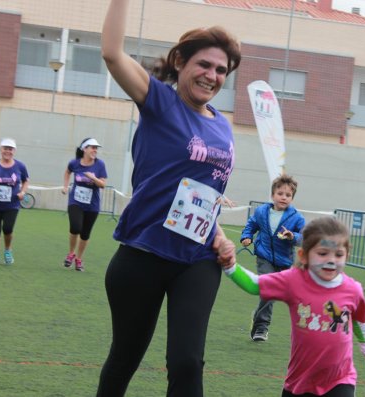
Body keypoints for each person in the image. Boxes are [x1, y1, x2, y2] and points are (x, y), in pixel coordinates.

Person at [97, 1, 241, 395]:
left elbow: (203, 193)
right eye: (204, 65)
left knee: (187, 363)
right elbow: (112, 53)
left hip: (197, 260)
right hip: (143, 254)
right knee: (124, 358)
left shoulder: (223, 127)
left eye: (221, 70)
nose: (212, 76)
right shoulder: (160, 101)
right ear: (180, 62)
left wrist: (218, 235)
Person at [222, 217, 365, 397]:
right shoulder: (293, 281)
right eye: (322, 253)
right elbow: (254, 285)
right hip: (300, 381)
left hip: (340, 379)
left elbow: (359, 318)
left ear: (347, 256)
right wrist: (230, 267)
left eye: (338, 255)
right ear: (303, 256)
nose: (331, 260)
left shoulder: (353, 289)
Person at [240, 174, 305, 342]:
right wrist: (246, 237)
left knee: (280, 294)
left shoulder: (297, 217)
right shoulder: (262, 211)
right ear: (272, 195)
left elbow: (305, 237)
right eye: (280, 193)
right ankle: (261, 327)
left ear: (292, 197)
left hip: (285, 262)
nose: (284, 197)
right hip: (264, 257)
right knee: (268, 291)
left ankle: (259, 314)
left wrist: (293, 236)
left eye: (288, 195)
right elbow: (251, 224)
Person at [61, 137, 108, 272]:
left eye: (96, 148)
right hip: (75, 201)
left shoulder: (100, 165)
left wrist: (92, 178)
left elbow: (103, 185)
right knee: (75, 227)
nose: (95, 151)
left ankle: (79, 259)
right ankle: (71, 253)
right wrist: (65, 186)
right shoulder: (74, 163)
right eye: (92, 148)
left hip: (92, 205)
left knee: (85, 234)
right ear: (84, 149)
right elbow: (67, 172)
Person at [0, 138, 29, 265]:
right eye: (5, 148)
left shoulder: (20, 166)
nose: (8, 151)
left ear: (14, 151)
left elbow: (26, 181)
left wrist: (23, 192)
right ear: (0, 149)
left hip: (12, 204)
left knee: (7, 228)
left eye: (10, 149)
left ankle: (8, 250)